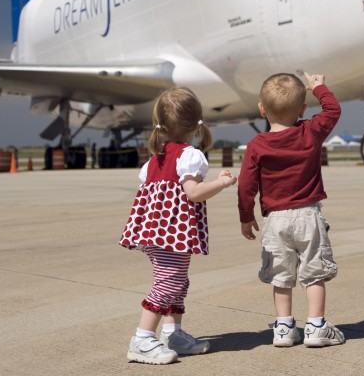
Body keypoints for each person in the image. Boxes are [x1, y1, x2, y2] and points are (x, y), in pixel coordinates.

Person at [119, 87, 237, 365]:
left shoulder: (153, 160)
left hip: (155, 231)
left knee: (177, 281)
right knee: (168, 282)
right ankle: (142, 338)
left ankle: (173, 334)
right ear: (197, 124)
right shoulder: (190, 156)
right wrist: (222, 182)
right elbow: (193, 193)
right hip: (170, 233)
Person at [238, 72, 345, 349]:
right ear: (302, 109)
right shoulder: (310, 131)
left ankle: (284, 328)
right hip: (308, 214)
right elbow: (333, 110)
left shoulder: (257, 145)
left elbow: (246, 186)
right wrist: (319, 86)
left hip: (276, 219)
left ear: (262, 108)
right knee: (314, 274)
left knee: (281, 276)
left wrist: (246, 216)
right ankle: (316, 326)